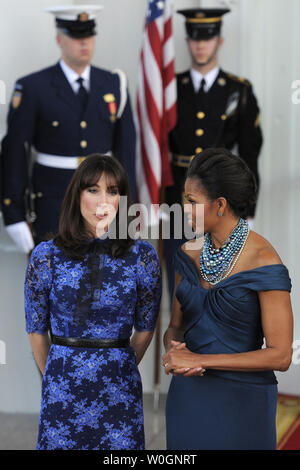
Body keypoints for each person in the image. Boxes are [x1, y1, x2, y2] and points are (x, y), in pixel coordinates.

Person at [24, 154, 161, 450]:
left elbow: (146, 327)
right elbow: (36, 328)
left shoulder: (143, 257)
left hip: (119, 390)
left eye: (113, 191)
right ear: (77, 194)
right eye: (93, 190)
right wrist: (56, 374)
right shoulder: (45, 256)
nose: (103, 201)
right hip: (62, 389)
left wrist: (118, 363)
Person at [163, 148, 293, 450]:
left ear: (220, 205)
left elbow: (281, 355)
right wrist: (174, 351)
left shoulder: (265, 261)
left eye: (191, 202)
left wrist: (200, 359)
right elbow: (176, 327)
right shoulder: (186, 254)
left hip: (243, 403)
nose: (183, 209)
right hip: (187, 397)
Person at [1, 5, 136, 253]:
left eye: (88, 35)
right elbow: (14, 152)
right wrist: (13, 214)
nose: (83, 43)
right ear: (59, 39)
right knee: (56, 285)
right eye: (75, 36)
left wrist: (129, 211)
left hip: (105, 209)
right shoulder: (33, 87)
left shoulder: (113, 83)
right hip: (54, 206)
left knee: (106, 285)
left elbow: (125, 150)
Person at [164, 8, 263, 305]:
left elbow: (249, 154)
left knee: (219, 285)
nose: (200, 45)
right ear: (187, 41)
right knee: (179, 284)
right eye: (195, 39)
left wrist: (249, 209)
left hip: (223, 200)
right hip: (177, 198)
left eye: (207, 39)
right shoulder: (171, 89)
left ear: (219, 41)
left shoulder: (239, 90)